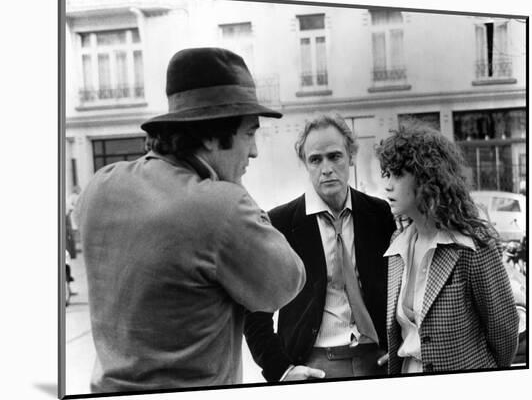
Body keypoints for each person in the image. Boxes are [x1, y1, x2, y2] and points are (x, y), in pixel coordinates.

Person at [76, 47, 306, 393]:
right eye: (249, 133)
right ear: (213, 135)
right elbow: (286, 282)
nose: (254, 151)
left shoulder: (100, 185)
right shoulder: (221, 206)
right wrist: (235, 189)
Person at [244, 113, 396, 381]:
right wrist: (281, 370)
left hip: (378, 360)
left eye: (334, 156)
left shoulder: (378, 213)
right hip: (314, 365)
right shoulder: (280, 223)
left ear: (351, 156)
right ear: (305, 164)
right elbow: (254, 311)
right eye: (316, 159)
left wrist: (398, 347)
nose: (326, 167)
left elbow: (401, 288)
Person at [376, 126, 519, 374]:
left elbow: (504, 331)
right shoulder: (397, 242)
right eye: (386, 175)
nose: (387, 186)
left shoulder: (472, 245)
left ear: (426, 177)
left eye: (397, 175)